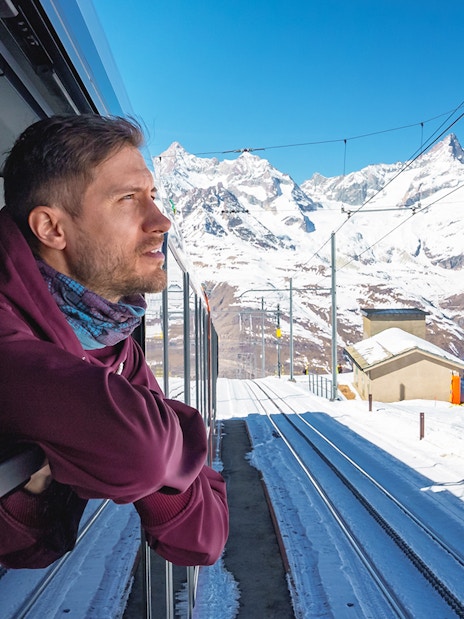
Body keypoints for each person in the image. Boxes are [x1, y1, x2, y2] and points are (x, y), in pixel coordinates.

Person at [0, 114, 228, 569]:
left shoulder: (111, 338)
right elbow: (138, 452)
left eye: (154, 196)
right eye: (128, 199)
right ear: (52, 229)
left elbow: (203, 540)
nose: (161, 220)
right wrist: (179, 433)